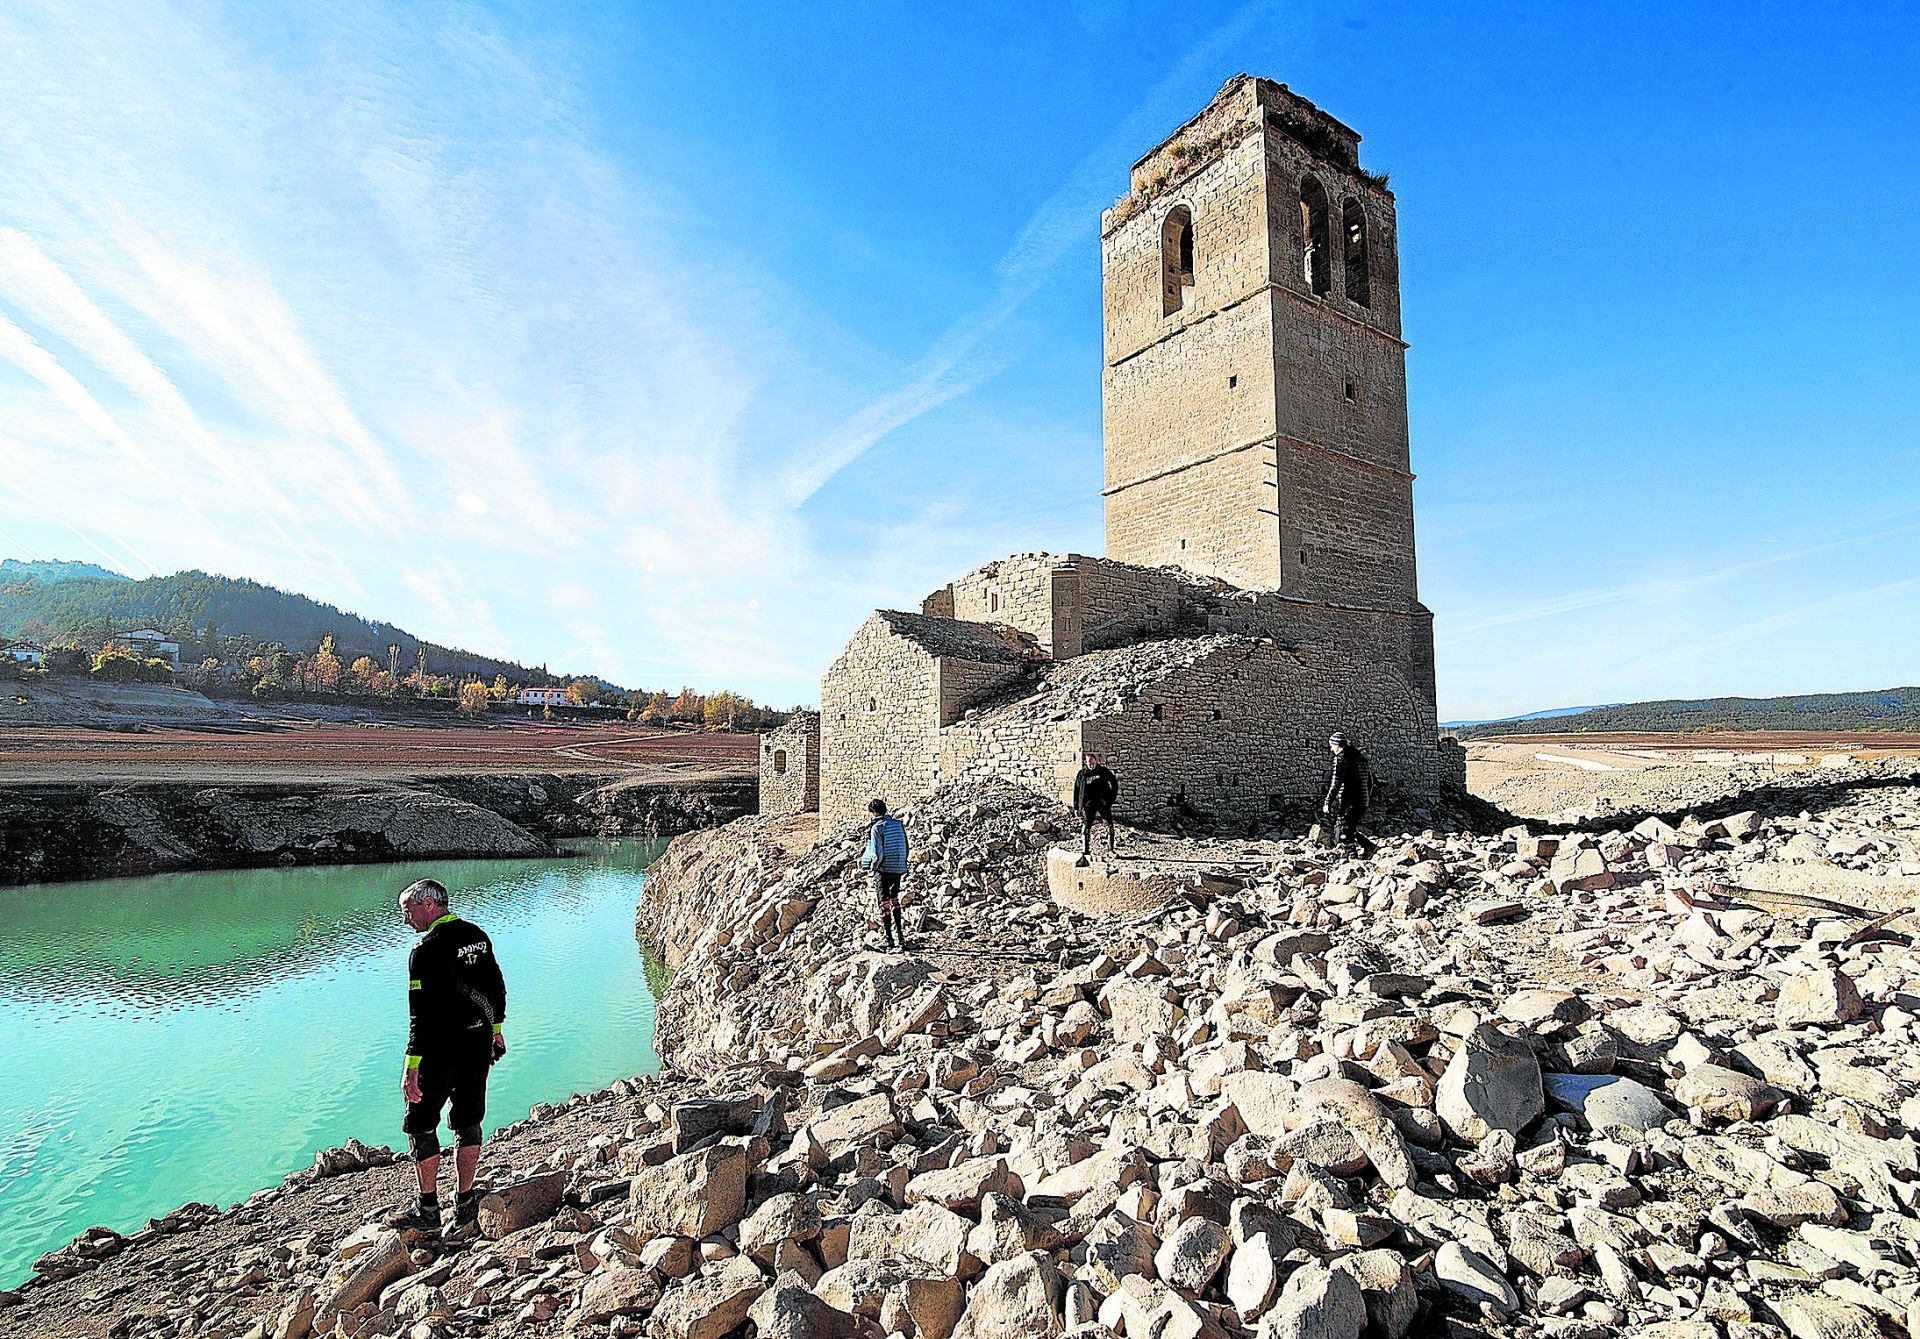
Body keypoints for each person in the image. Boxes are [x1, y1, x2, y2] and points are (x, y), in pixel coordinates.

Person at [387, 878, 507, 1235]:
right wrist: (496, 1031)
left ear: (428, 904)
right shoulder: (477, 936)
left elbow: (420, 1014)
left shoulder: (424, 951)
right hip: (477, 1044)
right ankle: (465, 1202)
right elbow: (495, 986)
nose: (405, 919)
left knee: (421, 1125)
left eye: (407, 911)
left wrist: (411, 1065)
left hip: (440, 1051)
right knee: (468, 1120)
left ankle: (427, 1209)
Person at [861, 798, 910, 950]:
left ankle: (889, 938)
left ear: (874, 813)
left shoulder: (877, 828)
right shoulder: (898, 824)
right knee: (895, 900)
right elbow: (906, 845)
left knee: (884, 903)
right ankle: (901, 936)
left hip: (884, 869)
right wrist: (902, 863)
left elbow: (878, 853)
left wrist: (873, 867)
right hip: (899, 867)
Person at [1321, 731, 1377, 857]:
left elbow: (1335, 783)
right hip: (1363, 800)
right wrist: (1367, 796)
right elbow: (1370, 781)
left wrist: (1327, 802)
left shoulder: (1341, 759)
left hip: (1349, 800)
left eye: (1332, 746)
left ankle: (1351, 855)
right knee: (1348, 828)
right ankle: (1365, 848)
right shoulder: (1361, 758)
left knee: (1341, 829)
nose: (1331, 749)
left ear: (1337, 746)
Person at [1072, 751, 1119, 857]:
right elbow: (1077, 791)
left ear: (1096, 761)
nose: (1092, 765)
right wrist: (1077, 807)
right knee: (1086, 825)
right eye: (1090, 763)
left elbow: (1114, 783)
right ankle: (1085, 850)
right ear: (1085, 762)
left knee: (1109, 824)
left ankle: (1111, 849)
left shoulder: (1103, 771)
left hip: (1103, 802)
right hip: (1088, 804)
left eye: (1093, 763)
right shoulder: (1082, 774)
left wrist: (1110, 799)